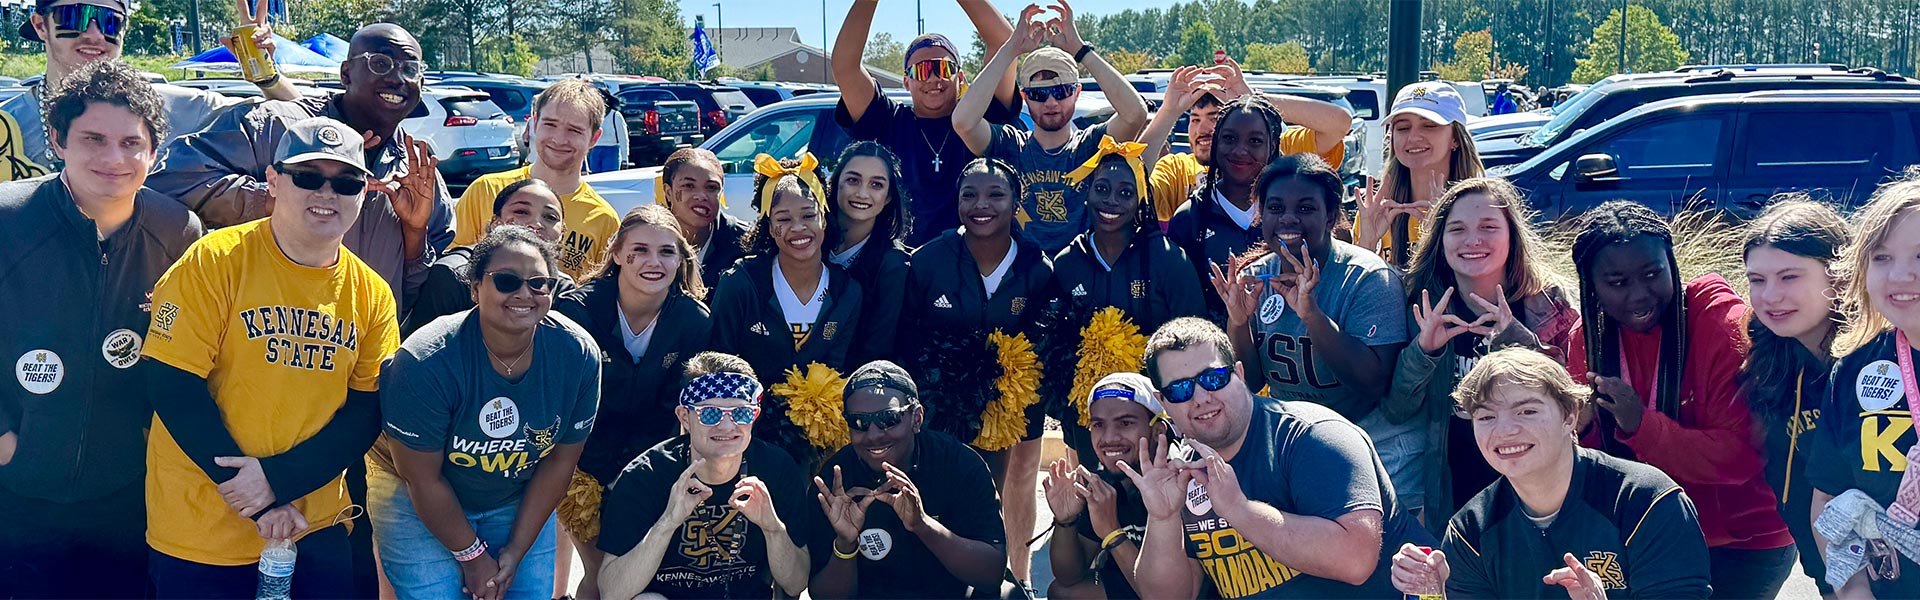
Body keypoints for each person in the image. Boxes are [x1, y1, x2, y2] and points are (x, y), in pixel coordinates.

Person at [138, 117, 399, 597]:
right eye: (307, 177)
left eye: (346, 182)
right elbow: (173, 386)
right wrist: (256, 497)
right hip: (205, 530)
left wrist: (278, 481)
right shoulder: (213, 261)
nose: (327, 193)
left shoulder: (372, 294)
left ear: (364, 192)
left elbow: (366, 410)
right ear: (274, 181)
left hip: (313, 523)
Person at [0, 60, 203, 598]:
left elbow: (190, 350)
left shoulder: (178, 231)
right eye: (94, 139)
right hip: (15, 492)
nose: (115, 159)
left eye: (132, 143)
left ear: (154, 151)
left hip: (128, 494)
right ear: (57, 140)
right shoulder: (7, 221)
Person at [1571, 200, 1795, 599]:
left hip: (1741, 541)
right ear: (1591, 285)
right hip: (1647, 534)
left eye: (1653, 274)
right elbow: (1594, 461)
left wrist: (1640, 425)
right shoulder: (1586, 339)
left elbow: (1740, 455)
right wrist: (1582, 426)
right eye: (1617, 283)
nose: (1640, 296)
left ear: (1672, 264)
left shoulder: (1721, 325)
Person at [366, 225, 600, 600]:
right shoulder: (426, 360)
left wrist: (515, 551)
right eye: (506, 281)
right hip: (414, 494)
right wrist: (474, 558)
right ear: (474, 288)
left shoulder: (578, 355)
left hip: (514, 494)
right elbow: (423, 480)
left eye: (540, 283)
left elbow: (559, 463)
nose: (525, 293)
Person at [150, 22, 455, 309]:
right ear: (346, 73)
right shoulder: (274, 126)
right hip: (269, 342)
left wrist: (415, 232)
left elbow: (418, 291)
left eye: (410, 69)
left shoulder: (418, 171)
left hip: (366, 350)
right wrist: (278, 198)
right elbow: (173, 178)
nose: (397, 79)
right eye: (380, 63)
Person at [1123, 317, 1425, 597]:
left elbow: (1356, 560)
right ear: (1163, 403)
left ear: (1239, 375)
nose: (1201, 397)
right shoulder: (1182, 472)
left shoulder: (1312, 436)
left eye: (1213, 378)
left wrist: (1239, 510)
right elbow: (1170, 596)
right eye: (1180, 389)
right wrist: (1162, 518)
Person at [1389, 348, 1712, 599]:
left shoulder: (1647, 501)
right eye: (1485, 417)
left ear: (1570, 416)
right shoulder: (1470, 530)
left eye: (1527, 411)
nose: (1505, 431)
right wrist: (1432, 593)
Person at [1208, 153, 1419, 516]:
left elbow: (1371, 384)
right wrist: (1238, 322)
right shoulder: (1257, 276)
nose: (1288, 218)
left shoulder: (1369, 277)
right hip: (1295, 438)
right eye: (1275, 207)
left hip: (1373, 439)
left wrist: (1312, 315)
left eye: (1306, 208)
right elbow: (1252, 378)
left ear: (1331, 216)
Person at [1385, 177, 1582, 526]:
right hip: (1456, 499)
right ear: (1440, 240)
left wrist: (1516, 339)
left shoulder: (1548, 305)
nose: (1473, 240)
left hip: (1541, 492)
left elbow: (1574, 405)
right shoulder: (1422, 303)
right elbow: (1398, 409)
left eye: (1489, 227)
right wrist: (1424, 350)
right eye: (1457, 229)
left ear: (1512, 236)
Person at [899, 157, 1054, 587]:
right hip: (936, 412)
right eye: (969, 194)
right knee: (934, 501)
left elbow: (1042, 347)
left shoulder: (1038, 269)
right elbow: (908, 339)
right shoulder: (929, 261)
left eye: (995, 194)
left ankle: (1001, 583)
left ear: (1016, 202)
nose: (980, 205)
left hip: (1001, 413)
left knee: (988, 498)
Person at [554, 205, 714, 599]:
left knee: (632, 578)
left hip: (648, 468)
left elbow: (675, 410)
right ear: (618, 254)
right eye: (640, 250)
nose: (653, 262)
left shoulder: (694, 320)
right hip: (582, 467)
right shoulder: (576, 310)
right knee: (600, 575)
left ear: (681, 260)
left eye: (666, 252)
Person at [597, 352, 812, 599]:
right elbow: (612, 592)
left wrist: (772, 527)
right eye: (710, 414)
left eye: (741, 413)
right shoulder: (647, 475)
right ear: (684, 418)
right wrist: (667, 522)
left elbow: (796, 585)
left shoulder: (776, 468)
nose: (727, 426)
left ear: (754, 416)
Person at [0, 0, 298, 173]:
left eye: (109, 22)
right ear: (41, 25)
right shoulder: (7, 125)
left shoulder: (178, 110)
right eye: (74, 17)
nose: (94, 34)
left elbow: (305, 128)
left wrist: (265, 75)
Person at [1048, 138, 1204, 467]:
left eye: (1125, 193)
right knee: (1094, 498)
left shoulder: (1167, 259)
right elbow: (1053, 347)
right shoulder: (1066, 263)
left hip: (1155, 421)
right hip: (1090, 419)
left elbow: (1195, 340)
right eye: (1102, 189)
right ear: (1087, 192)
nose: (1112, 201)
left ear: (1141, 199)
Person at [953, 0, 1148, 254]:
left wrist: (1080, 50)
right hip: (1023, 279)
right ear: (1024, 97)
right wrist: (1011, 48)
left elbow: (1136, 114)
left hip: (1081, 275)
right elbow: (963, 122)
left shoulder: (1092, 145)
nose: (1051, 102)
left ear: (1077, 93)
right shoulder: (1010, 145)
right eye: (1039, 95)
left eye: (1061, 91)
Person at [711, 153, 866, 467]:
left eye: (808, 215)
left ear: (824, 217)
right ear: (769, 227)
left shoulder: (847, 291)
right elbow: (718, 362)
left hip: (817, 444)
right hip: (746, 438)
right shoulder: (741, 283)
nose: (798, 228)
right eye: (783, 219)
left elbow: (838, 368)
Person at [809, 360, 1009, 599]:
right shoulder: (834, 481)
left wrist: (922, 525)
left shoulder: (959, 464)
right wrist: (845, 543)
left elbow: (992, 574)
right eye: (859, 422)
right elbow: (823, 596)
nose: (873, 435)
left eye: (888, 419)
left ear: (916, 418)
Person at [830, 0, 1023, 247]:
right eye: (921, 71)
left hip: (973, 266)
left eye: (943, 68)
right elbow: (844, 68)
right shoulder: (888, 121)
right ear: (906, 82)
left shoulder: (980, 119)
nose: (933, 78)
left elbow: (1005, 43)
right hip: (901, 268)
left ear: (960, 77)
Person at [1810, 173, 1920, 599]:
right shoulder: (1857, 369)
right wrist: (1854, 590)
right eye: (1881, 257)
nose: (1901, 275)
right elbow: (1828, 497)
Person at [1740, 198, 1847, 599]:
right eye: (1756, 280)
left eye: (1789, 277)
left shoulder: (1878, 365)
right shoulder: (1771, 363)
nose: (1770, 296)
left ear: (1838, 274)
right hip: (1828, 574)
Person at [1138, 60, 1350, 225]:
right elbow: (1133, 182)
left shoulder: (1276, 148)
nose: (1202, 130)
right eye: (1195, 119)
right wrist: (1168, 112)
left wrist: (1255, 101)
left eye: (1214, 118)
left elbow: (1339, 123)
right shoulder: (1177, 169)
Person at [453, 80, 621, 282]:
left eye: (574, 130)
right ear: (534, 123)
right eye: (550, 124)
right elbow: (455, 270)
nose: (559, 139)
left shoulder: (603, 220)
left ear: (594, 138)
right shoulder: (486, 190)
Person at [1163, 94, 1292, 322]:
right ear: (1216, 142)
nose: (1240, 150)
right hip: (1215, 352)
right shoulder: (1189, 219)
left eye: (1255, 141)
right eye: (1230, 139)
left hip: (1281, 352)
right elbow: (1180, 309)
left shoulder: (1290, 213)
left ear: (1272, 145)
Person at [1042, 372, 1168, 600]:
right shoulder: (1105, 485)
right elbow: (1067, 577)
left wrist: (1111, 532)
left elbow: (1166, 594)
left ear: (1158, 431)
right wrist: (1065, 520)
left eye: (1126, 423)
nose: (1109, 437)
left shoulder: (1181, 480)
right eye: (1098, 425)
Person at [407, 178, 568, 337]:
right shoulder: (452, 275)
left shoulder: (562, 287)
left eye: (550, 217)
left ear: (562, 232)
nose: (536, 224)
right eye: (521, 212)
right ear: (495, 222)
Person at [1352, 82, 1487, 266]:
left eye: (1429, 126)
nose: (1413, 137)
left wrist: (1445, 228)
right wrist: (1367, 242)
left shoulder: (1483, 212)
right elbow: (1355, 292)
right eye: (1403, 128)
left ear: (1455, 138)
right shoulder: (1375, 213)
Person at [825, 141, 912, 365]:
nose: (862, 193)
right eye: (853, 180)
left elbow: (877, 349)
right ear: (835, 184)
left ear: (889, 196)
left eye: (876, 185)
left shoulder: (893, 265)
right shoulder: (810, 242)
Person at [657, 148, 748, 294]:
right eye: (688, 186)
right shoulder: (647, 240)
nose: (701, 196)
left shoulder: (745, 243)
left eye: (711, 187)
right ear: (668, 192)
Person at [589, 87, 628, 174]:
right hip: (595, 151)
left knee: (609, 178)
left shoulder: (615, 116)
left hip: (612, 151)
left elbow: (623, 138)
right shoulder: (593, 116)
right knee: (596, 180)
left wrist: (625, 159)